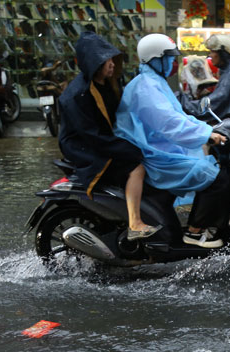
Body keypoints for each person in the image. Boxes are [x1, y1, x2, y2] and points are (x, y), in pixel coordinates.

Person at [114, 33, 230, 249]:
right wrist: (205, 134)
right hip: (154, 154)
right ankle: (195, 233)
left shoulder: (154, 81)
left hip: (162, 148)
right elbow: (168, 123)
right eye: (168, 58)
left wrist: (205, 129)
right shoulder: (146, 87)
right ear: (154, 59)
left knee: (210, 167)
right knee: (215, 177)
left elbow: (178, 116)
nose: (173, 63)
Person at [58, 32, 158, 241]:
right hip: (85, 147)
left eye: (112, 59)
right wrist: (127, 148)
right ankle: (135, 223)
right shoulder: (79, 94)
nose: (112, 64)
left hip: (102, 140)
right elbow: (90, 136)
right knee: (136, 168)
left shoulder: (107, 84)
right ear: (93, 63)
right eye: (106, 61)